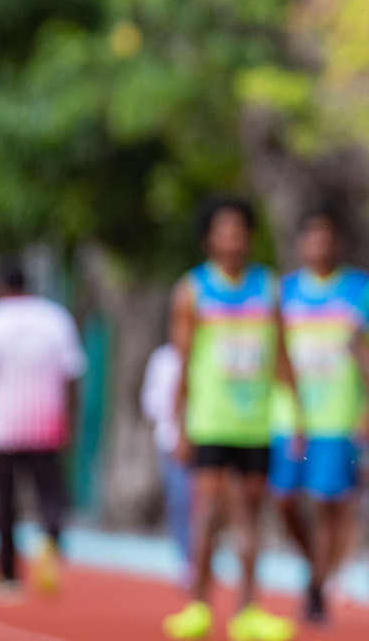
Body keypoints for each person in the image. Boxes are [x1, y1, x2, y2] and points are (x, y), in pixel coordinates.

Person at [163, 198, 299, 641]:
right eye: (224, 231)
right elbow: (180, 362)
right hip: (210, 421)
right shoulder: (192, 290)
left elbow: (281, 355)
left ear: (250, 237)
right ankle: (198, 605)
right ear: (209, 239)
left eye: (240, 230)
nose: (233, 239)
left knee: (251, 521)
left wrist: (296, 414)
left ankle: (248, 611)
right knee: (209, 517)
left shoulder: (267, 288)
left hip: (255, 424)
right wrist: (179, 422)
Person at [268, 210, 369, 625]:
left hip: (339, 416)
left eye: (326, 239)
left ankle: (316, 584)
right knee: (282, 499)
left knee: (330, 504)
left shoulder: (360, 291)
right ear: (300, 245)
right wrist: (293, 409)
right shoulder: (284, 292)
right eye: (311, 239)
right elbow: (278, 354)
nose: (319, 246)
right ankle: (315, 564)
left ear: (338, 245)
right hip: (289, 418)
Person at [0, 261, 86, 601]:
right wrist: (70, 419)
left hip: (3, 425)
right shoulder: (55, 318)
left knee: (6, 501)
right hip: (47, 423)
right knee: (51, 495)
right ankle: (49, 540)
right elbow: (72, 373)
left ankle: (7, 574)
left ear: (0, 287)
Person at [142, 337, 192, 578]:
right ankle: (186, 558)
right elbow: (150, 400)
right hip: (170, 439)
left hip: (205, 438)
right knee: (180, 500)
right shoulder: (162, 358)